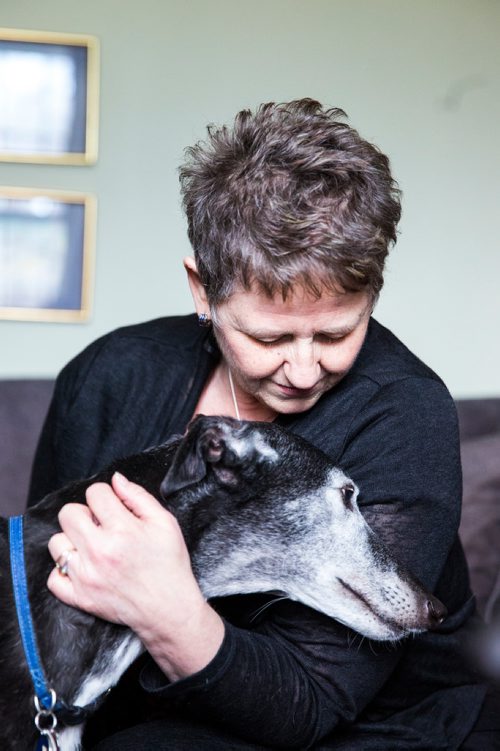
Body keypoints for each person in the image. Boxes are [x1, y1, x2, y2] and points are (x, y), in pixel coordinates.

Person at [28, 99, 490, 750]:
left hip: (378, 726)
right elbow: (44, 602)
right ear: (201, 288)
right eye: (268, 336)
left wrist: (162, 606)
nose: (303, 369)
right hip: (148, 713)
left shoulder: (405, 413)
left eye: (336, 331)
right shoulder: (110, 376)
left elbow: (312, 699)